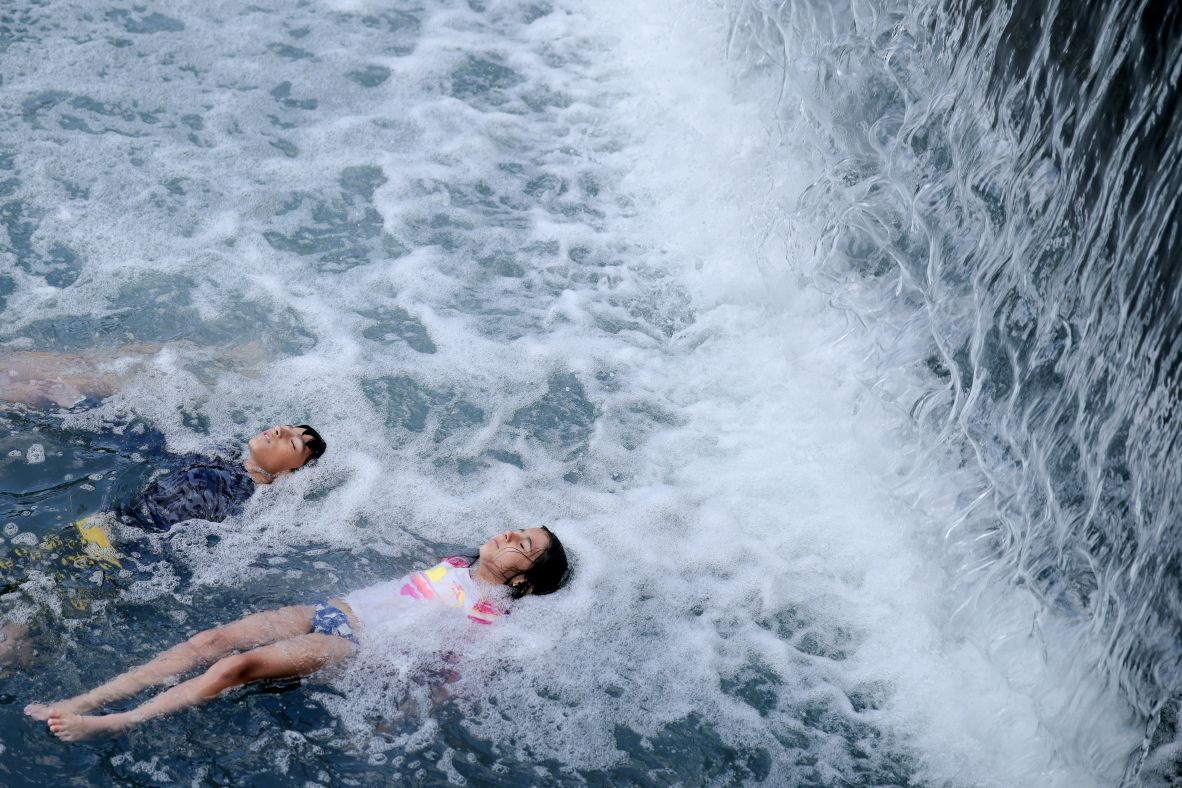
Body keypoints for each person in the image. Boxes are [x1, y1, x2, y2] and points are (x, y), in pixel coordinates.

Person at [25, 527, 571, 741]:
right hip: (330, 610)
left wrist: (400, 716)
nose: (509, 535)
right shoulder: (454, 560)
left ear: (522, 579)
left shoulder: (491, 615)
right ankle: (83, 698)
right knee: (211, 641)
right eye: (517, 529)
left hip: (351, 646)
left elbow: (453, 675)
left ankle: (116, 720)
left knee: (237, 667)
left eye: (522, 546)